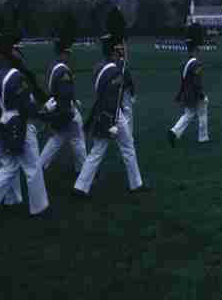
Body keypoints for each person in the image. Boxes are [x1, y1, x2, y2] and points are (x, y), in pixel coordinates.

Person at [0, 37, 46, 215]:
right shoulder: (16, 76)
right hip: (20, 122)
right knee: (32, 167)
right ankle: (39, 207)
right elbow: (26, 105)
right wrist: (43, 112)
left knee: (10, 166)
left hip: (6, 121)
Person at [73, 33, 147, 197]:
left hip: (105, 112)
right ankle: (135, 184)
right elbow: (112, 98)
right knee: (119, 149)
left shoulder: (99, 66)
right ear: (114, 51)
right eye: (118, 49)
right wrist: (111, 123)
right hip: (111, 114)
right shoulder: (114, 71)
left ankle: (135, 184)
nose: (121, 52)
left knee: (108, 149)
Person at [37, 34, 87, 175]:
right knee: (77, 141)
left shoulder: (51, 65)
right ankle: (85, 171)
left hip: (55, 107)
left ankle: (40, 166)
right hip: (64, 110)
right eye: (68, 53)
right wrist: (68, 111)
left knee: (57, 140)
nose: (69, 56)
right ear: (64, 52)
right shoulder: (63, 70)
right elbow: (64, 94)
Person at [168, 37, 210, 147]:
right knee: (202, 115)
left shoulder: (183, 64)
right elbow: (197, 82)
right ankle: (203, 138)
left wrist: (179, 95)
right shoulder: (197, 64)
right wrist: (202, 94)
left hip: (187, 94)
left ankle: (174, 131)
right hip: (195, 95)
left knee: (188, 115)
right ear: (195, 51)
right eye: (198, 50)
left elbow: (183, 81)